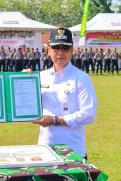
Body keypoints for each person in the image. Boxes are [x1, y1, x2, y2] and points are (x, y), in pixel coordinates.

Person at [32, 28, 97, 159]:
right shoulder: (40, 77)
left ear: (72, 51)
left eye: (65, 48)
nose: (60, 52)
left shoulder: (81, 78)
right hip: (45, 150)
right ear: (48, 50)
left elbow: (88, 114)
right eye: (56, 48)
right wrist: (21, 81)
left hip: (73, 151)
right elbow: (26, 104)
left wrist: (55, 120)